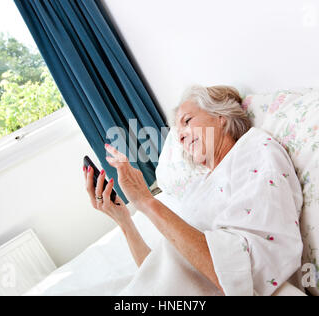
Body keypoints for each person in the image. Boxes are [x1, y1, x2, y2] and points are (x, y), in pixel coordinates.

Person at [84, 85, 303, 296]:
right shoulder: (197, 188)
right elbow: (161, 279)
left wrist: (147, 202)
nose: (179, 137)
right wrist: (124, 221)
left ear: (221, 117)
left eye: (187, 121)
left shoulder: (254, 149)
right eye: (178, 132)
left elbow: (242, 276)